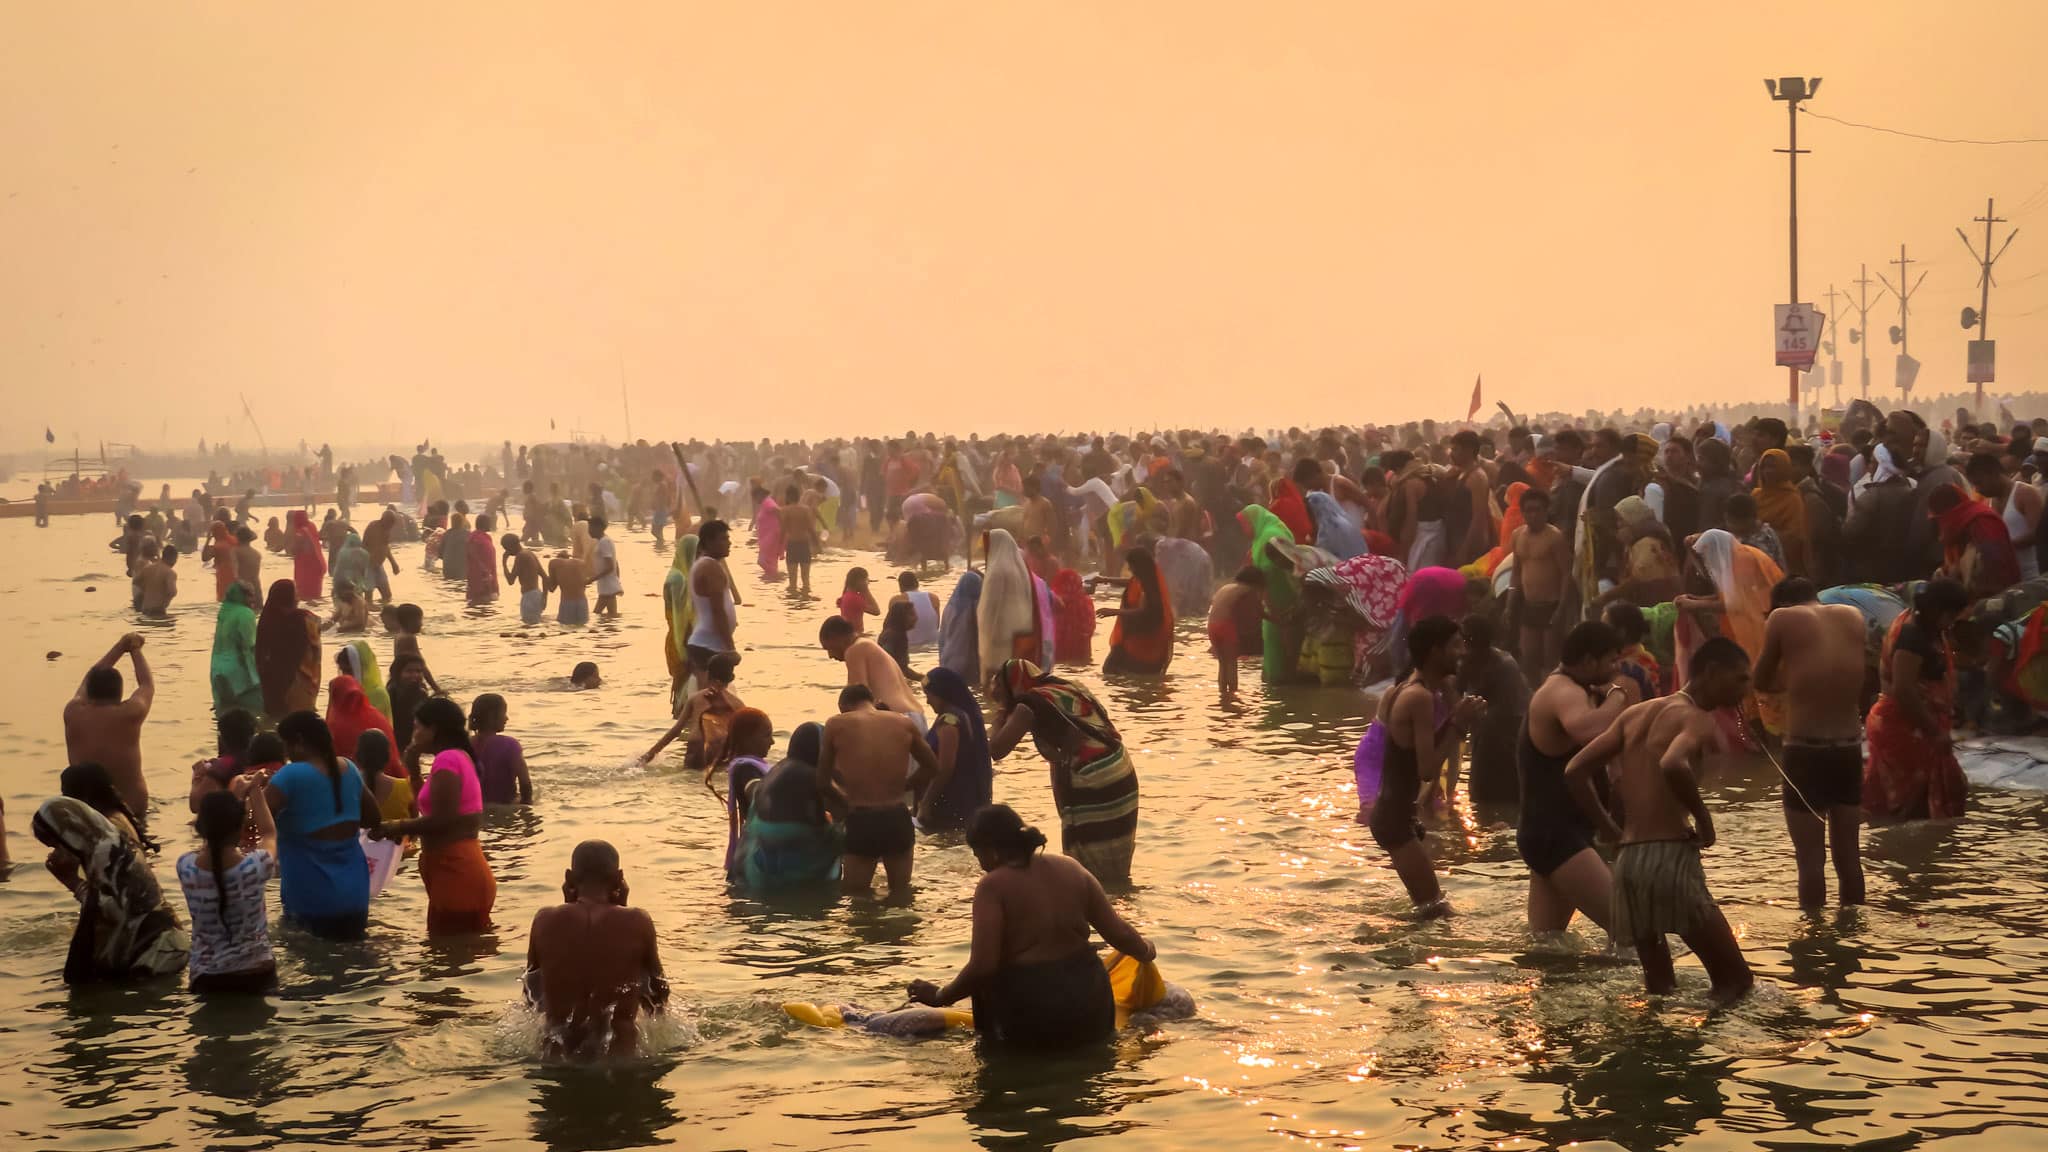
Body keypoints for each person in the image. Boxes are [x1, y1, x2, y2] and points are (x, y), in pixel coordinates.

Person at [1564, 637, 1756, 1003]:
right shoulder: (1696, 718)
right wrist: (1703, 819)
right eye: (1740, 679)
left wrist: (1607, 828)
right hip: (1669, 860)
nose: (1745, 690)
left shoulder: (1635, 714)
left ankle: (1659, 1054)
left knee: (1660, 991)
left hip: (1629, 865)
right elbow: (1672, 763)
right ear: (1711, 673)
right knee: (1736, 983)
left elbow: (1575, 771)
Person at [906, 804, 1155, 1049]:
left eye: (978, 854)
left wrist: (940, 996)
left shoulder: (992, 886)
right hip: (1090, 1001)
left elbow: (983, 967)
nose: (980, 864)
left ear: (991, 851)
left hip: (1033, 1008)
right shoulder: (1071, 868)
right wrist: (1146, 951)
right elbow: (1118, 933)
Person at [1753, 576, 1869, 907]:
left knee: (1810, 862)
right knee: (1849, 858)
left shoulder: (1781, 618)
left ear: (1780, 604)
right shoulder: (1853, 616)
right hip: (1849, 749)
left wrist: (1788, 678)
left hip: (1806, 751)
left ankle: (1814, 947)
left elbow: (1760, 678)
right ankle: (1853, 938)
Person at [1518, 621, 1635, 937]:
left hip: (1552, 832)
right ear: (1587, 661)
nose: (1616, 668)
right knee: (1630, 931)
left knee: (1548, 944)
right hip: (1557, 836)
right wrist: (1618, 696)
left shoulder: (1578, 690)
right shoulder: (1562, 691)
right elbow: (1588, 730)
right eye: (1611, 660)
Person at [1363, 617, 1483, 917]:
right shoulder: (1419, 698)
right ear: (1433, 652)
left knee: (1430, 908)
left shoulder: (1409, 688)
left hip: (1397, 815)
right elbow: (1427, 770)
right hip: (1393, 819)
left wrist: (1456, 710)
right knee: (1436, 911)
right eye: (1455, 646)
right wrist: (1459, 724)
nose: (1462, 652)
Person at [988, 659, 1140, 884]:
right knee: (1115, 866)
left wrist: (999, 717)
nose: (997, 697)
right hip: (1120, 768)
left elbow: (997, 749)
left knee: (1086, 867)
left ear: (1013, 684)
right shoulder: (1068, 687)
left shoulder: (1028, 704)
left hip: (1092, 776)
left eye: (999, 692)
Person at [524, 840, 670, 1061]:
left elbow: (532, 992)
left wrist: (568, 906)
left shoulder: (544, 919)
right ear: (619, 879)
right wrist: (622, 908)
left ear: (569, 878)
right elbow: (658, 993)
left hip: (557, 1057)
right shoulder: (638, 920)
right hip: (619, 1059)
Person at [32, 796, 189, 984]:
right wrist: (71, 881)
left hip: (156, 954)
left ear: (69, 835)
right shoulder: (110, 843)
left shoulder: (105, 855)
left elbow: (103, 915)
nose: (58, 853)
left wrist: (72, 880)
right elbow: (110, 909)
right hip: (162, 947)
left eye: (57, 845)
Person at [374, 697, 497, 934]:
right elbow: (429, 807)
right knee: (452, 960)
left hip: (458, 874)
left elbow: (441, 821)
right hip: (455, 873)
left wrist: (393, 827)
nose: (414, 733)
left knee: (446, 964)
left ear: (434, 729)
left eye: (418, 727)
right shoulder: (457, 757)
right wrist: (413, 767)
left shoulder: (448, 759)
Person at [1864, 577, 1971, 824]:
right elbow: (1903, 689)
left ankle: (1911, 853)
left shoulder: (1926, 627)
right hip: (1905, 727)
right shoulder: (1912, 636)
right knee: (1909, 803)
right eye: (1951, 615)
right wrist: (1934, 731)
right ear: (1937, 610)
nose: (1952, 622)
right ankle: (1905, 854)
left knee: (1942, 792)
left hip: (1917, 725)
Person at [817, 685, 939, 902]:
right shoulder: (903, 722)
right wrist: (903, 787)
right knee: (902, 896)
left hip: (862, 819)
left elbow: (822, 782)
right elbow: (932, 767)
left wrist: (845, 801)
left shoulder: (836, 723)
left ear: (843, 706)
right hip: (897, 816)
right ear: (872, 700)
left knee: (856, 899)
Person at [264, 711, 377, 939]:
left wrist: (246, 793)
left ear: (299, 742)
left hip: (311, 898)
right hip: (355, 895)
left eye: (287, 746)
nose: (286, 754)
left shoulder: (290, 775)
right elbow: (374, 818)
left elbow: (250, 821)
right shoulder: (350, 768)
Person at [178, 781, 279, 993]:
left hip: (206, 979)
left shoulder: (185, 867)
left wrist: (234, 801)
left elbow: (212, 842)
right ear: (240, 826)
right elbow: (269, 833)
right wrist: (255, 791)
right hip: (258, 974)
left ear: (200, 827)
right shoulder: (256, 865)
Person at [733, 722, 843, 891]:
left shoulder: (777, 769)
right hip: (790, 847)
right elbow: (837, 811)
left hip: (756, 859)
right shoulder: (812, 775)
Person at [63, 633, 155, 815]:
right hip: (130, 809)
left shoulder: (73, 712)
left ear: (90, 691)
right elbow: (146, 685)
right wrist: (135, 649)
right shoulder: (130, 713)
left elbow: (89, 678)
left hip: (85, 809)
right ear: (120, 692)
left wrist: (119, 647)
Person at [1455, 615, 1528, 808]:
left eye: (1462, 641)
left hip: (1505, 738)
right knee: (1481, 797)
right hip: (1486, 734)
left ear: (1472, 642)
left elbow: (1509, 712)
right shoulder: (1469, 662)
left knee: (1497, 797)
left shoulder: (1503, 665)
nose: (1460, 649)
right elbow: (1454, 696)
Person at [641, 651, 743, 777]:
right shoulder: (738, 704)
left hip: (695, 749)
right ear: (731, 677)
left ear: (708, 675)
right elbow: (742, 739)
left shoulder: (696, 698)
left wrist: (648, 755)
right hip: (717, 750)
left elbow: (676, 730)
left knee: (689, 777)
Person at [918, 668, 994, 832]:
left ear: (941, 693)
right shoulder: (960, 715)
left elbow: (945, 767)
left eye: (929, 695)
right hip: (966, 798)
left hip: (952, 801)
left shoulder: (949, 721)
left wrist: (926, 802)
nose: (927, 701)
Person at [820, 615, 928, 722]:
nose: (830, 655)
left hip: (897, 718)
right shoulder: (868, 645)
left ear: (836, 638)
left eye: (828, 648)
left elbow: (856, 702)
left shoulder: (854, 650)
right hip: (917, 717)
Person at [1509, 487, 1566, 676]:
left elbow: (1566, 574)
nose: (1533, 515)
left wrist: (1561, 609)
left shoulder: (1555, 537)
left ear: (1546, 511)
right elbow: (1516, 571)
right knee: (1528, 656)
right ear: (1522, 512)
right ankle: (1530, 701)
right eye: (1529, 510)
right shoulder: (1517, 535)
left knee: (1551, 659)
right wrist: (1510, 603)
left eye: (1538, 510)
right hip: (1528, 604)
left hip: (1551, 604)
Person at [1099, 549, 1174, 675]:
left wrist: (1114, 612)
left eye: (1131, 566)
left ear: (1139, 566)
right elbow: (1131, 582)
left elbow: (1144, 611)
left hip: (1143, 641)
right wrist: (1104, 579)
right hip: (1136, 636)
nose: (1130, 569)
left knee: (1112, 671)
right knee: (1114, 672)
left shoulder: (1149, 587)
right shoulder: (1144, 579)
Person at [255, 579, 321, 718]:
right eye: (295, 593)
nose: (298, 597)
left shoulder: (266, 620)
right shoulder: (304, 619)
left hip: (272, 684)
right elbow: (314, 648)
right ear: (287, 598)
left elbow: (260, 655)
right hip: (299, 682)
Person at [687, 520, 739, 678]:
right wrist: (730, 648)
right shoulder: (710, 567)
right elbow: (718, 611)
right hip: (709, 646)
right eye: (723, 539)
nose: (729, 542)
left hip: (707, 644)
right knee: (712, 698)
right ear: (709, 542)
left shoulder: (705, 564)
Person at [1207, 566, 1267, 695]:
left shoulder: (1226, 587)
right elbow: (1258, 611)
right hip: (1226, 626)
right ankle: (1233, 697)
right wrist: (1277, 620)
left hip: (1212, 626)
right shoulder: (1248, 590)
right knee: (1232, 664)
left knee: (1223, 665)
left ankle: (1223, 696)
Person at [325, 673, 398, 778]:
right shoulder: (378, 716)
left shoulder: (335, 722)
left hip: (351, 778)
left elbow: (331, 757)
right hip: (389, 776)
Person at [470, 693, 533, 805]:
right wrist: (527, 807)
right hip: (506, 808)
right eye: (503, 713)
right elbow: (525, 784)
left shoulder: (464, 745)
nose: (506, 718)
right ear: (492, 717)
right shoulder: (510, 745)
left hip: (476, 809)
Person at [938, 568, 983, 685]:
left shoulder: (949, 607)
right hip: (968, 665)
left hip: (948, 661)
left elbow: (941, 638)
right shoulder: (974, 609)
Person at [780, 483, 817, 592]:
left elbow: (783, 530)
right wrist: (817, 544)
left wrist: (779, 546)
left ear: (788, 496)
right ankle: (805, 599)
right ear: (798, 496)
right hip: (804, 545)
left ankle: (793, 599)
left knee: (792, 583)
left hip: (792, 545)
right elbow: (811, 529)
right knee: (806, 582)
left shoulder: (785, 510)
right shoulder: (805, 509)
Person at [892, 571, 944, 648]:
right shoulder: (933, 598)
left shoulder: (897, 600)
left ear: (900, 585)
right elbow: (936, 625)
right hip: (934, 643)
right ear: (917, 583)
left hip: (909, 645)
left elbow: (892, 628)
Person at [504, 533, 546, 624]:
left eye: (506, 549)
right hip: (537, 594)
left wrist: (504, 562)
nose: (507, 552)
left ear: (510, 546)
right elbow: (545, 577)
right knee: (534, 627)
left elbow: (511, 581)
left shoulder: (520, 556)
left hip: (529, 597)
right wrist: (544, 597)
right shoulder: (529, 553)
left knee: (528, 628)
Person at [287, 509, 326, 601]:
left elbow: (295, 549)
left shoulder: (300, 532)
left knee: (304, 594)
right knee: (315, 594)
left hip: (306, 566)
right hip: (318, 563)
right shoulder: (312, 526)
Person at [545, 547, 590, 626]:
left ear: (558, 557)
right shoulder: (581, 563)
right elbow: (584, 584)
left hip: (567, 603)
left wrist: (545, 580)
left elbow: (552, 588)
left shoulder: (554, 563)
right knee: (582, 628)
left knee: (565, 628)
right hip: (582, 602)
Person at [589, 517, 622, 618]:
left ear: (598, 528)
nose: (589, 531)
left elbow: (610, 566)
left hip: (608, 585)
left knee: (597, 615)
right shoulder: (603, 541)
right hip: (607, 585)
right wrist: (616, 581)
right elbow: (615, 564)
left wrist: (591, 579)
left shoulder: (604, 542)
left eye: (590, 528)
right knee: (611, 616)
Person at [466, 513, 501, 605]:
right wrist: (492, 585)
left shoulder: (472, 538)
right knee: (485, 608)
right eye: (489, 523)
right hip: (484, 581)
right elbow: (490, 564)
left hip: (473, 580)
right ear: (485, 524)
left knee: (474, 608)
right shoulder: (483, 541)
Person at [836, 567, 881, 634]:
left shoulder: (846, 595)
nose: (868, 583)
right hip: (854, 635)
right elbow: (876, 611)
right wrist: (866, 590)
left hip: (848, 634)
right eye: (866, 580)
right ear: (860, 581)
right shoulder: (855, 598)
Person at [138, 545, 179, 616]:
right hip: (158, 610)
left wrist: (147, 591)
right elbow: (172, 592)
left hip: (144, 609)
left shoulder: (147, 568)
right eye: (176, 559)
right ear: (173, 557)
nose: (175, 562)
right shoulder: (170, 573)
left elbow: (136, 582)